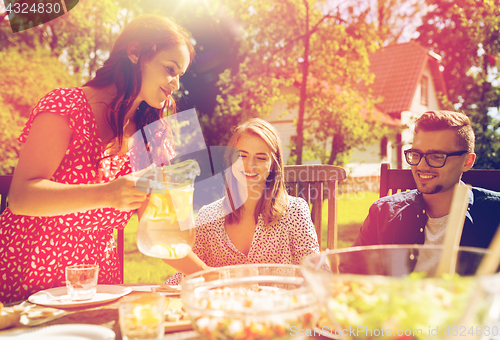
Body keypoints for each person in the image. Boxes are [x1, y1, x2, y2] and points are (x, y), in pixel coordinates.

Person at [0, 14, 195, 303]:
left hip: (97, 288)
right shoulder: (66, 105)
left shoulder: (152, 138)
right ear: (134, 53)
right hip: (26, 276)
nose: (176, 84)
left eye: (180, 74)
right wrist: (106, 194)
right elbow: (21, 198)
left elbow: (159, 234)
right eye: (170, 69)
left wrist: (212, 278)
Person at [163, 118, 321, 283]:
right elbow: (189, 274)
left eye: (261, 158)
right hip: (226, 307)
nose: (249, 165)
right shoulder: (208, 216)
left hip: (281, 306)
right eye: (242, 156)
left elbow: (317, 273)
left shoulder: (295, 211)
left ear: (273, 164)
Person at [353, 110, 500, 252]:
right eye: (416, 154)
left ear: (467, 161)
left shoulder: (495, 215)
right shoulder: (382, 213)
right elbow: (352, 269)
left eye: (436, 156)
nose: (421, 166)